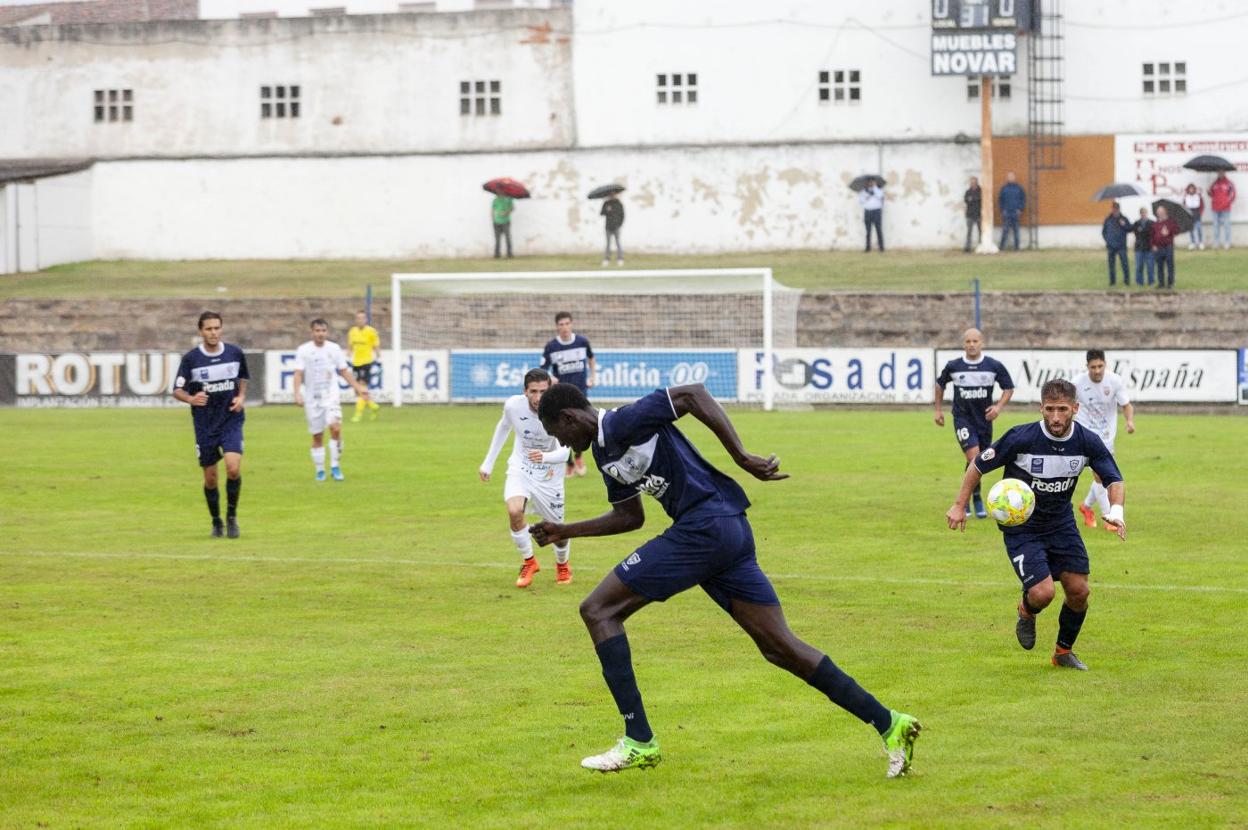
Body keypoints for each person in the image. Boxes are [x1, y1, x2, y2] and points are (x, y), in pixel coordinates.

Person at [531, 382, 922, 777]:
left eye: (557, 434)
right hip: (723, 530)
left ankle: (639, 740)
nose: (564, 445)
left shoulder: (625, 419)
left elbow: (691, 395)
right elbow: (629, 517)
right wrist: (566, 530)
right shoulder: (603, 451)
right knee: (779, 647)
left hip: (706, 527)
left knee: (598, 610)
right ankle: (891, 724)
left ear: (568, 418)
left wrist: (741, 456)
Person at [945, 379, 1126, 672]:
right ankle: (1026, 610)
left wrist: (1116, 511)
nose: (1056, 417)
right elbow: (978, 464)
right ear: (1041, 408)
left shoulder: (1086, 442)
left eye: (1063, 409)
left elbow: (1114, 479)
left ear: (1075, 409)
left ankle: (1062, 652)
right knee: (1043, 594)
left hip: (1061, 522)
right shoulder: (1021, 437)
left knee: (1079, 591)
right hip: (1023, 527)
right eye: (1050, 409)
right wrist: (959, 504)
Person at [478, 368, 572, 588]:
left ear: (550, 390)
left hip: (549, 473)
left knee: (558, 528)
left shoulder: (560, 411)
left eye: (543, 391)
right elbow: (503, 427)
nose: (538, 397)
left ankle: (562, 564)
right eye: (533, 391)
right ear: (525, 391)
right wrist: (488, 462)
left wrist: (545, 457)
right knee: (514, 510)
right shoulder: (513, 405)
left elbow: (565, 452)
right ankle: (529, 561)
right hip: (521, 466)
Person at [173, 311, 249, 539]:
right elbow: (177, 390)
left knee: (233, 468)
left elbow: (243, 377)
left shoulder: (235, 353)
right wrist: (191, 399)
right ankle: (216, 521)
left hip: (230, 419)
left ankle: (232, 517)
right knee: (211, 478)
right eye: (209, 329)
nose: (213, 333)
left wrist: (241, 397)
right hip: (205, 424)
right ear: (201, 331)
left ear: (221, 329)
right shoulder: (191, 359)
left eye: (217, 328)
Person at [934, 328, 1014, 519]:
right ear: (964, 344)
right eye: (968, 341)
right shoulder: (954, 366)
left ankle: (974, 494)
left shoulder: (993, 365)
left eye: (975, 341)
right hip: (963, 419)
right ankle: (971, 499)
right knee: (974, 457)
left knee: (980, 460)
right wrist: (938, 410)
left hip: (984, 421)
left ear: (981, 343)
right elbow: (940, 384)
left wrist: (998, 408)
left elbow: (1008, 388)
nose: (971, 345)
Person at [293, 319, 370, 482]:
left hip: (331, 397)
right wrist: (297, 393)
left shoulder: (333, 349)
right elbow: (298, 373)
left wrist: (357, 387)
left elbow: (343, 370)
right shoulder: (304, 350)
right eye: (317, 331)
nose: (320, 334)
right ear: (311, 332)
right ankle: (320, 470)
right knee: (317, 436)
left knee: (335, 428)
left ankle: (335, 466)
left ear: (326, 332)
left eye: (323, 331)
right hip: (313, 399)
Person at [1072, 350, 1135, 531]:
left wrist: (1129, 421)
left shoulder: (1114, 381)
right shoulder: (1077, 383)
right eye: (1093, 367)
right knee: (1100, 476)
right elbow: (1066, 404)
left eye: (1100, 366)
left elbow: (1126, 404)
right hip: (1086, 435)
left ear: (1105, 364)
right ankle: (1110, 518)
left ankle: (1086, 506)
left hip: (1107, 437)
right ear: (1087, 367)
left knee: (1102, 475)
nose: (1097, 370)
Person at [541, 311, 597, 476]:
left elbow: (591, 359)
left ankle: (578, 455)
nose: (564, 327)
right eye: (561, 324)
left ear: (571, 324)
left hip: (580, 393)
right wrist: (551, 378)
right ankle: (569, 462)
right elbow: (544, 370)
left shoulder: (582, 342)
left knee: (580, 427)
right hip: (562, 395)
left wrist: (593, 376)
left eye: (567, 323)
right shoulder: (551, 346)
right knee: (563, 429)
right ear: (557, 326)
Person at [347, 310, 382, 423]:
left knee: (361, 388)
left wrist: (379, 358)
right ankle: (373, 406)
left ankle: (358, 414)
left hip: (366, 363)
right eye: (358, 318)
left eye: (362, 318)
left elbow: (376, 346)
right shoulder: (352, 331)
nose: (360, 320)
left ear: (366, 320)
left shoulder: (371, 332)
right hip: (355, 363)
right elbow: (350, 347)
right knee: (358, 390)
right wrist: (347, 358)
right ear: (356, 320)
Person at [1101, 202, 1132, 287]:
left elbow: (1130, 229)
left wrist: (1124, 224)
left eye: (1117, 209)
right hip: (1111, 246)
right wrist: (1107, 240)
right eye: (1114, 209)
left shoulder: (1124, 219)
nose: (1115, 210)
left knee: (1124, 264)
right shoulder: (1108, 219)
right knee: (1111, 265)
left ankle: (1127, 281)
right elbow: (1104, 232)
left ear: (1119, 209)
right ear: (1112, 209)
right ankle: (1112, 281)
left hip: (1121, 245)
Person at [1150, 204, 1179, 289]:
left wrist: (1168, 232)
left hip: (1168, 246)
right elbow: (1151, 236)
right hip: (1158, 247)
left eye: (1161, 212)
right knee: (1159, 266)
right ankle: (1161, 283)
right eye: (1158, 212)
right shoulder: (1155, 224)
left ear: (1165, 212)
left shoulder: (1170, 222)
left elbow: (1176, 230)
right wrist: (1153, 245)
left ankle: (1170, 283)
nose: (1160, 214)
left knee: (1170, 265)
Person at [1208, 171, 1236, 250]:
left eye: (1222, 172)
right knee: (1215, 226)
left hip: (1225, 208)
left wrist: (1226, 202)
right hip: (1215, 208)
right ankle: (1216, 242)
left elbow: (1233, 195)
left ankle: (1227, 242)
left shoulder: (1229, 183)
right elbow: (1211, 194)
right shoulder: (1214, 183)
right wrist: (1208, 191)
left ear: (1224, 173)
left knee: (1227, 226)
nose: (1220, 173)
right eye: (1219, 172)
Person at [998, 171, 1025, 251]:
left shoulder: (1019, 188)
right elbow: (1000, 200)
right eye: (1009, 177)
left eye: (1012, 176)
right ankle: (1001, 248)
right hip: (1007, 213)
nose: (1010, 178)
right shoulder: (1004, 188)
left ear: (1014, 178)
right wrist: (1003, 210)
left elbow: (1023, 199)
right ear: (1007, 178)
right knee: (1005, 231)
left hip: (1015, 213)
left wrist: (1020, 209)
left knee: (1016, 231)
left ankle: (1017, 248)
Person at [858, 178, 884, 252]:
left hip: (877, 211)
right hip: (868, 211)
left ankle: (881, 247)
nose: (870, 183)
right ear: (866, 182)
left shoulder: (878, 190)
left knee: (878, 229)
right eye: (869, 181)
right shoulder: (863, 191)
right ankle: (868, 247)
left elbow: (880, 196)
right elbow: (860, 201)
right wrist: (866, 197)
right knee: (868, 230)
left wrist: (875, 188)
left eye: (872, 182)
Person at [1131, 207, 1155, 287]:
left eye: (1144, 213)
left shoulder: (1152, 223)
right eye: (1142, 213)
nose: (1143, 214)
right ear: (1140, 214)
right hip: (1139, 248)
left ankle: (1151, 282)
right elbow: (1136, 234)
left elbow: (1153, 234)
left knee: (1150, 266)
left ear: (1146, 213)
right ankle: (1139, 282)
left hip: (1149, 248)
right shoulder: (1136, 223)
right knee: (1139, 266)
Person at [601, 193, 625, 267]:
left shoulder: (619, 204)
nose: (611, 196)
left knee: (618, 242)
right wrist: (607, 210)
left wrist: (619, 224)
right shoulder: (606, 203)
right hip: (608, 226)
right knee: (608, 243)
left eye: (613, 194)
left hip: (616, 226)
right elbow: (601, 213)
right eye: (610, 194)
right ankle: (607, 259)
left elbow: (622, 215)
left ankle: (620, 258)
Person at [1183, 183, 1205, 251]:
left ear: (1194, 189)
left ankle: (1200, 242)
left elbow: (1202, 205)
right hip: (1189, 215)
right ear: (1188, 189)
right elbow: (1184, 206)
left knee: (1199, 229)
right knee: (1191, 230)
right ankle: (1193, 242)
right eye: (1190, 189)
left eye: (1192, 188)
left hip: (1197, 214)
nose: (1191, 190)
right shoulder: (1186, 197)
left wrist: (1200, 213)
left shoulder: (1198, 196)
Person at [492, 193, 514, 259]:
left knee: (507, 238)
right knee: (497, 239)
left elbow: (512, 208)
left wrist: (506, 213)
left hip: (506, 221)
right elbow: (492, 210)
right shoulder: (495, 200)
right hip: (496, 222)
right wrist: (493, 219)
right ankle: (497, 254)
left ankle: (509, 253)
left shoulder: (509, 199)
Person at [963, 176, 982, 252]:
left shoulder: (981, 191)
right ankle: (968, 247)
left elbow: (979, 199)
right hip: (970, 214)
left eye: (974, 182)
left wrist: (972, 199)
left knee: (981, 232)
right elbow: (966, 200)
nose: (972, 184)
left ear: (977, 182)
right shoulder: (968, 192)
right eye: (971, 182)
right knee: (969, 232)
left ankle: (981, 246)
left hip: (978, 214)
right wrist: (974, 199)